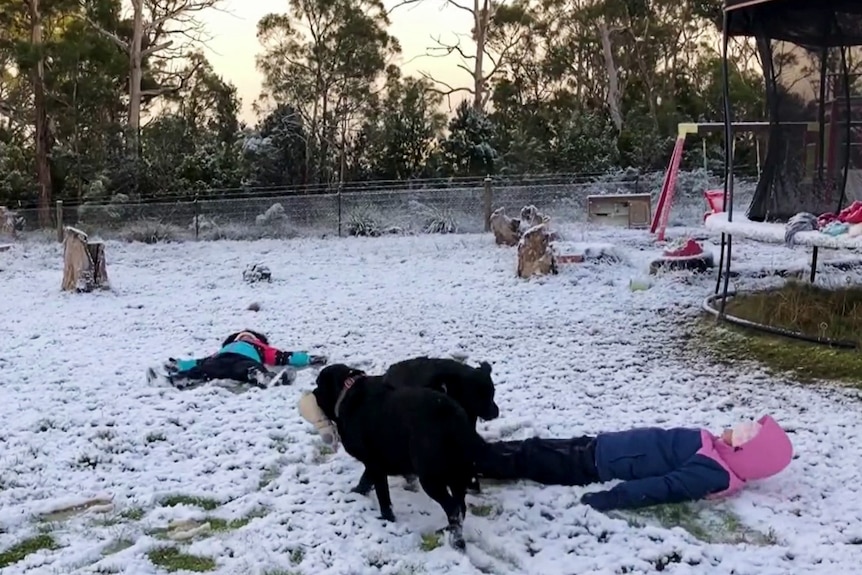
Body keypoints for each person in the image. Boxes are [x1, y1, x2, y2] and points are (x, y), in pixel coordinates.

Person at [473, 415, 793, 511]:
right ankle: (474, 450)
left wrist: (610, 498)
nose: (738, 427)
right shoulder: (712, 445)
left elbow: (663, 488)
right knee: (534, 447)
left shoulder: (712, 472)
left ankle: (469, 461)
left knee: (530, 458)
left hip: (597, 465)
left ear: (746, 454)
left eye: (746, 433)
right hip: (602, 444)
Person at [148, 329, 328, 389]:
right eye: (241, 336)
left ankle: (267, 378)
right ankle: (172, 381)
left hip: (244, 361)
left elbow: (284, 356)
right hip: (220, 362)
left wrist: (308, 359)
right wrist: (178, 364)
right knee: (201, 370)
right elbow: (200, 361)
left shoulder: (259, 348)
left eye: (249, 337)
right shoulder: (220, 351)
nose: (245, 338)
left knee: (248, 369)